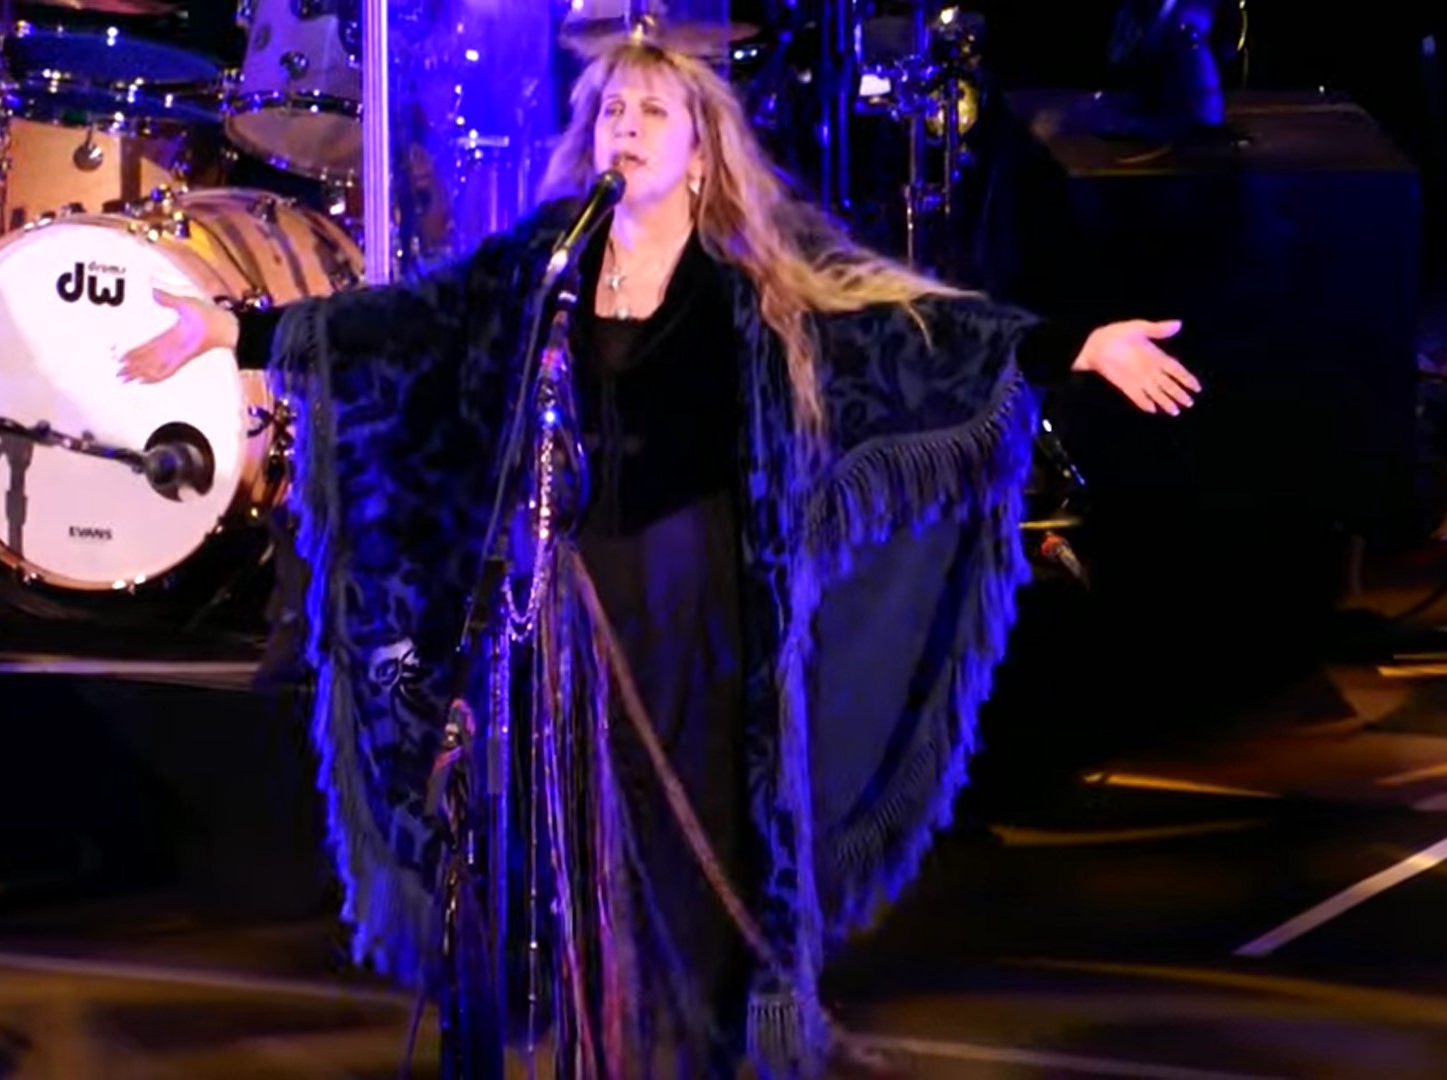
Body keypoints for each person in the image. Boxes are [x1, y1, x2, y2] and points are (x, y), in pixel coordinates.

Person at [120, 33, 1199, 1079]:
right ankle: (605, 1048)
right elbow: (414, 321)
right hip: (572, 594)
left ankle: (696, 1051)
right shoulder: (548, 263)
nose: (625, 130)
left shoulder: (748, 289)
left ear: (701, 149)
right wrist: (236, 333)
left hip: (693, 601)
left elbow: (909, 333)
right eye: (611, 113)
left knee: (693, 854)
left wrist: (1078, 347)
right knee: (581, 854)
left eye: (652, 115)